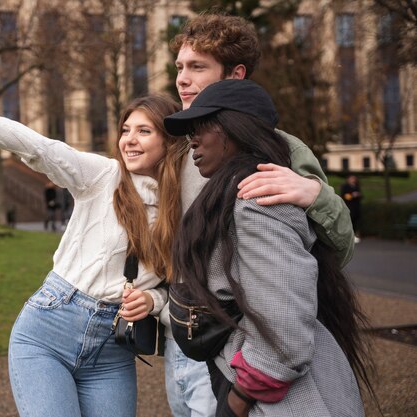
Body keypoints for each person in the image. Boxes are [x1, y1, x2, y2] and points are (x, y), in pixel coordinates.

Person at [0, 76, 188, 417]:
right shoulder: (102, 176)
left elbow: (182, 283)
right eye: (126, 130)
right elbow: (37, 147)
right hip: (49, 332)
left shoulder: (183, 205)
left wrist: (152, 300)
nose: (129, 140)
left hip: (112, 353)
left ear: (169, 142)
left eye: (144, 131)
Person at [161, 12, 356, 417]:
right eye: (179, 67)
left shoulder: (277, 153)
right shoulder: (184, 148)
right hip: (194, 339)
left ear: (235, 76)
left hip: (250, 349)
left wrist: (317, 196)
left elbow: (327, 257)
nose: (182, 78)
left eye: (197, 67)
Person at [341, 175, 363, 243]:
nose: (352, 180)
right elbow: (344, 196)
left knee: (356, 222)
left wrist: (359, 195)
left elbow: (361, 195)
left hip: (356, 207)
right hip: (349, 206)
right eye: (351, 178)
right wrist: (352, 196)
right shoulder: (345, 186)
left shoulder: (356, 186)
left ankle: (355, 236)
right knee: (350, 221)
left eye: (354, 178)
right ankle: (348, 236)